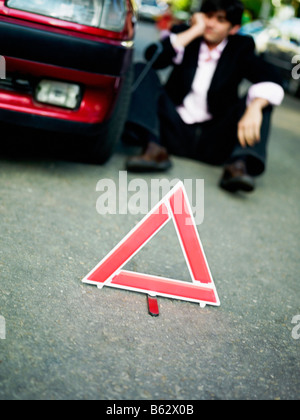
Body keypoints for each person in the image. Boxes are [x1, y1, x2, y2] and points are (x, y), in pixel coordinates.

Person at [123, 0, 284, 193]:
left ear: (233, 28)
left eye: (220, 20)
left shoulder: (240, 48)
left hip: (214, 140)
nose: (211, 24)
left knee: (262, 98)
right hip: (172, 132)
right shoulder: (186, 35)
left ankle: (239, 166)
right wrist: (194, 31)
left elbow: (273, 79)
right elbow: (153, 57)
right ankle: (153, 149)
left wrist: (256, 106)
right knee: (142, 69)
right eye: (208, 16)